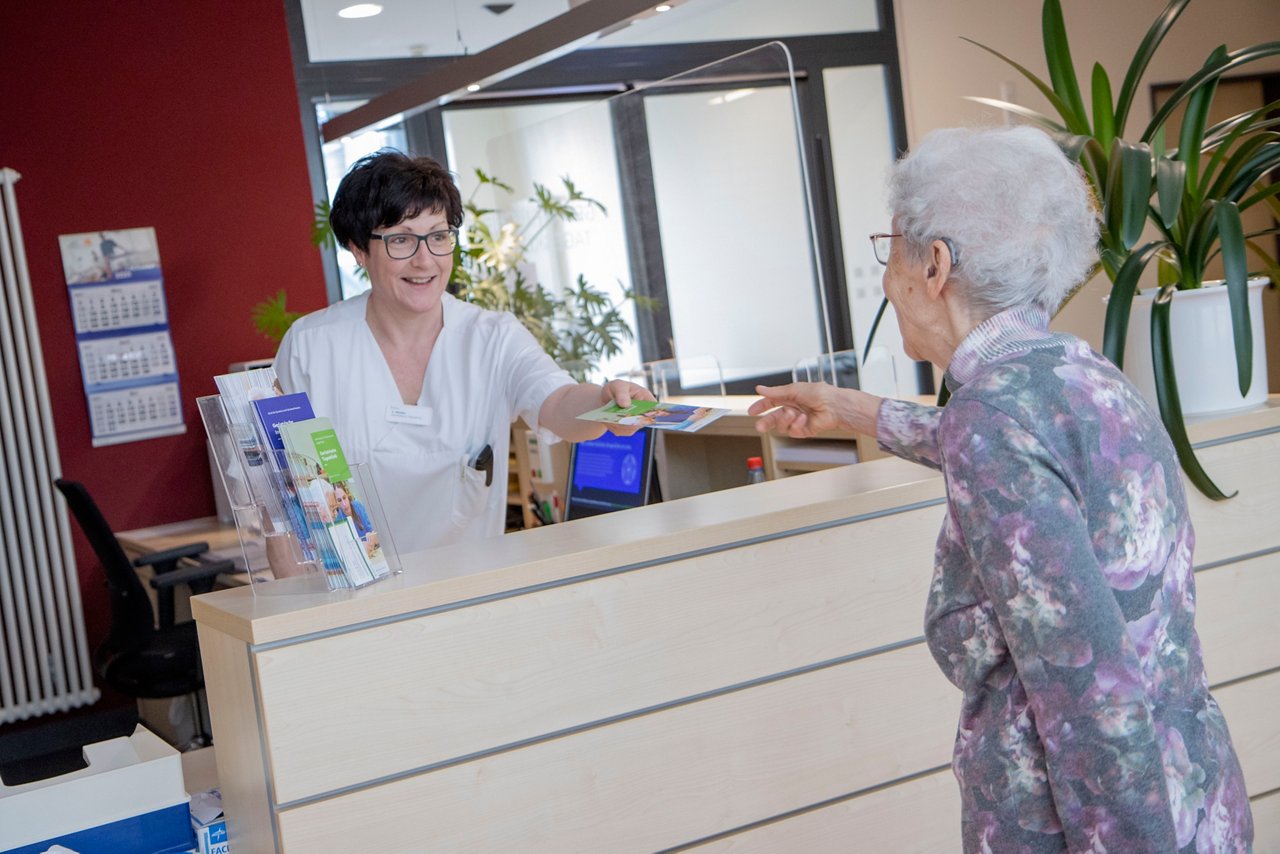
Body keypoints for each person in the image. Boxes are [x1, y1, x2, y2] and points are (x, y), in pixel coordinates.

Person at [750, 126, 1251, 851]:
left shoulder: (991, 418)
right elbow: (1028, 465)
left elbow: (1088, 692)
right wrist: (859, 411)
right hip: (1192, 790)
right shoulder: (1080, 374)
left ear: (936, 266)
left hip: (1090, 822)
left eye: (889, 248)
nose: (887, 277)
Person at [275, 150, 651, 554]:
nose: (425, 260)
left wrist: (604, 403)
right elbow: (279, 495)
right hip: (351, 601)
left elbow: (557, 403)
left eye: (438, 236)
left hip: (468, 592)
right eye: (401, 239)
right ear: (359, 250)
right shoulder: (311, 347)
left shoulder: (493, 337)